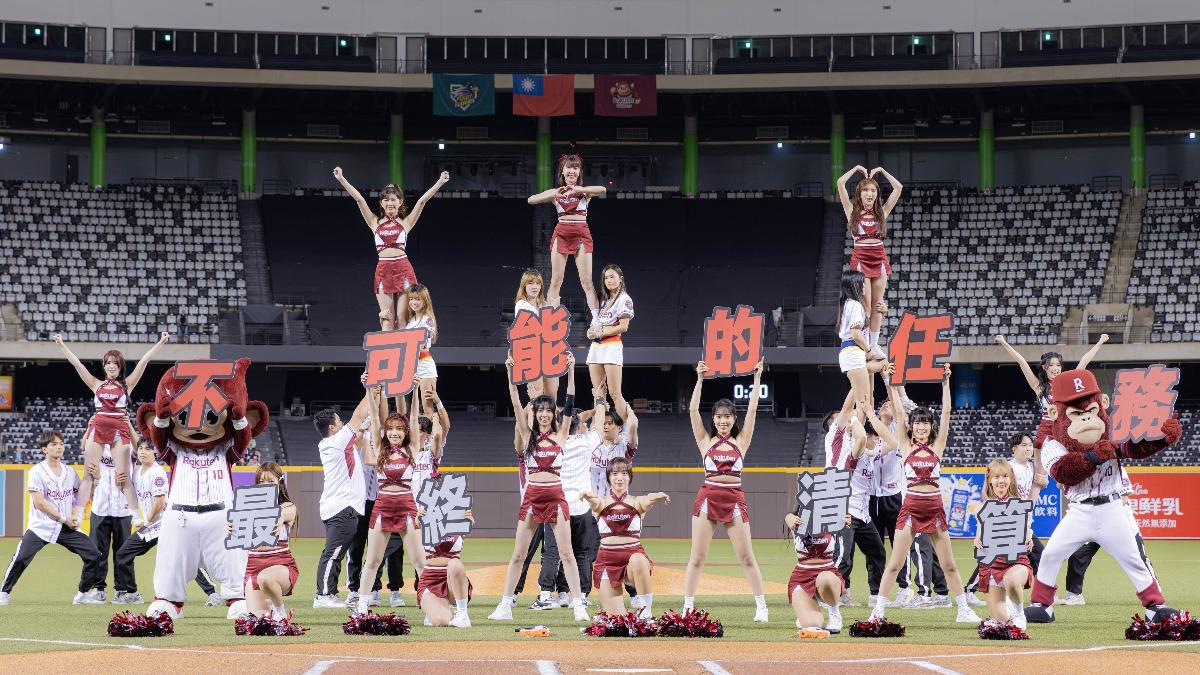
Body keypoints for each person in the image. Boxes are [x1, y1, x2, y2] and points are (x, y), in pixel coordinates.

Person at [869, 364, 980, 624]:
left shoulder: (938, 446)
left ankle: (963, 609)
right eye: (918, 423)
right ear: (911, 426)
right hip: (910, 509)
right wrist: (890, 380)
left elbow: (947, 413)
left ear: (930, 427)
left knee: (950, 564)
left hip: (935, 509)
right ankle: (878, 612)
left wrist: (945, 383)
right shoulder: (905, 446)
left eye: (925, 423)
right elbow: (897, 411)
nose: (922, 427)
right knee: (895, 563)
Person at [487, 361, 594, 623]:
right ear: (534, 414)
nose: (545, 414)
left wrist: (570, 370)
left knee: (567, 553)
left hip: (556, 497)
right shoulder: (527, 436)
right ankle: (504, 605)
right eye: (540, 410)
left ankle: (579, 605)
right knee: (519, 554)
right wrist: (512, 375)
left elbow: (569, 403)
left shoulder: (561, 436)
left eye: (548, 411)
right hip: (533, 497)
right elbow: (514, 403)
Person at [683, 359, 769, 622]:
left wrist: (757, 379)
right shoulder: (704, 441)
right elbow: (693, 410)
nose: (722, 421)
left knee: (746, 556)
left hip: (734, 501)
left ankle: (761, 606)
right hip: (707, 499)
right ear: (714, 419)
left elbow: (753, 411)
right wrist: (699, 378)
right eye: (719, 416)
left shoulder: (741, 441)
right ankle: (688, 606)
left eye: (727, 416)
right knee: (697, 557)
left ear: (734, 419)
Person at [53, 331, 170, 525]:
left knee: (124, 478)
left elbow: (144, 362)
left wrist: (161, 342)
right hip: (97, 428)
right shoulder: (95, 384)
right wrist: (61, 344)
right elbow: (77, 365)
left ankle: (136, 518)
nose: (111, 366)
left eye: (115, 363)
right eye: (108, 363)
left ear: (120, 366)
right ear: (104, 366)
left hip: (119, 430)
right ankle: (78, 515)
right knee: (89, 473)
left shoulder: (127, 385)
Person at [332, 166, 449, 330]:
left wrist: (440, 182)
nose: (390, 203)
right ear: (381, 203)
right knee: (387, 317)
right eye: (386, 200)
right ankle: (387, 355)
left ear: (400, 202)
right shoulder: (374, 222)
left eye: (394, 199)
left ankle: (405, 355)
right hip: (383, 270)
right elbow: (359, 199)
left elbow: (422, 201)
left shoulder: (406, 223)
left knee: (402, 320)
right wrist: (341, 179)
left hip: (403, 269)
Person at [0, 430, 104, 606]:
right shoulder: (36, 472)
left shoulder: (70, 472)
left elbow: (83, 495)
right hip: (41, 525)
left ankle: (82, 594)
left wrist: (96, 480)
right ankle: (3, 593)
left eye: (61, 444)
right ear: (44, 449)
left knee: (94, 555)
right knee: (21, 558)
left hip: (66, 527)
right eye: (54, 444)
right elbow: (40, 503)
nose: (59, 448)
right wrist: (65, 518)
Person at [353, 381, 430, 616]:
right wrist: (368, 388)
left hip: (407, 507)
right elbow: (375, 419)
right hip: (383, 507)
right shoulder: (380, 448)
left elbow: (415, 414)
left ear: (406, 431)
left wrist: (415, 391)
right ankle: (362, 605)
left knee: (420, 562)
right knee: (373, 560)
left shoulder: (413, 448)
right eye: (392, 428)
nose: (395, 432)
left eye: (400, 428)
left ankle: (430, 604)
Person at [113, 439, 220, 606]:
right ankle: (132, 593)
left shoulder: (157, 473)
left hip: (165, 525)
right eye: (140, 448)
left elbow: (160, 502)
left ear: (155, 452)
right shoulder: (137, 471)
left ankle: (213, 593)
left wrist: (146, 522)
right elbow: (131, 492)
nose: (142, 451)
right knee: (123, 555)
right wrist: (118, 484)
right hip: (151, 527)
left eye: (147, 449)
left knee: (184, 558)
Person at [579, 458, 668, 618]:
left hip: (631, 564)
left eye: (624, 474)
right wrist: (587, 496)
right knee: (617, 621)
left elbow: (648, 498)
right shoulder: (602, 502)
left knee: (639, 559)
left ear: (630, 477)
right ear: (609, 477)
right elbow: (594, 502)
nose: (619, 477)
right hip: (607, 563)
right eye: (614, 474)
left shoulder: (637, 502)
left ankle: (645, 613)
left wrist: (658, 496)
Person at [312, 382, 375, 608]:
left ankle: (327, 593)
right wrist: (371, 388)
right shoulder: (334, 442)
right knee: (334, 552)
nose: (343, 422)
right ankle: (323, 595)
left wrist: (366, 426)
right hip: (342, 507)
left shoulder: (334, 444)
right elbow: (358, 416)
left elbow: (358, 433)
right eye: (339, 421)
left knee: (335, 551)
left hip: (340, 506)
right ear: (332, 427)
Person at [965, 432, 1047, 601]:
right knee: (994, 556)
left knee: (1037, 555)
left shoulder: (1031, 468)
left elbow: (1033, 492)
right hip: (1006, 522)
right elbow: (986, 492)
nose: (1029, 448)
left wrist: (1040, 483)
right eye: (1024, 445)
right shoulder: (1008, 469)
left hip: (1022, 522)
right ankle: (970, 590)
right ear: (1014, 449)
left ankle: (1041, 595)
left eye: (1030, 445)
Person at [993, 333, 1109, 448]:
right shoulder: (1038, 387)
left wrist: (1099, 342)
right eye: (1052, 365)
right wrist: (1004, 343)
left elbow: (1084, 361)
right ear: (1044, 367)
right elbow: (1021, 361)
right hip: (1046, 433)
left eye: (1058, 365)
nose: (1055, 368)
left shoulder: (1068, 384)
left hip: (1065, 430)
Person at [527, 150, 606, 312]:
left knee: (586, 281)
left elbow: (603, 189)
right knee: (556, 279)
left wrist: (578, 189)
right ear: (562, 171)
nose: (572, 171)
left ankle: (597, 321)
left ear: (579, 172)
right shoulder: (556, 192)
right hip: (561, 234)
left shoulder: (584, 191)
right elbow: (531, 200)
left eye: (576, 168)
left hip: (581, 234)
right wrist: (553, 193)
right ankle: (550, 319)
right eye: (568, 167)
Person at [837, 165, 902, 359]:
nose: (870, 193)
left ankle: (874, 344)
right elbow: (840, 183)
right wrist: (856, 169)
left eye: (873, 190)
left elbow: (898, 188)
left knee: (878, 304)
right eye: (866, 190)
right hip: (861, 258)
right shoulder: (851, 212)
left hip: (879, 257)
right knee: (864, 305)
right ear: (860, 192)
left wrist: (882, 171)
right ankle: (864, 342)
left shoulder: (882, 212)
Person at [838, 405, 895, 608]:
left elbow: (893, 442)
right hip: (846, 512)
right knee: (844, 557)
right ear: (867, 436)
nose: (878, 441)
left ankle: (875, 595)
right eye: (875, 437)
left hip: (863, 515)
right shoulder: (854, 450)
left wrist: (873, 415)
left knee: (878, 551)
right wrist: (855, 418)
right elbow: (861, 438)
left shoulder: (871, 455)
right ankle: (836, 596)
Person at [973, 459, 1033, 630]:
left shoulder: (1020, 503)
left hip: (1015, 561)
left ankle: (1019, 612)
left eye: (1005, 476)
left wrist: (1029, 537)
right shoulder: (983, 507)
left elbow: (1027, 528)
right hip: (992, 564)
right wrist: (977, 541)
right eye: (997, 477)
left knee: (1011, 580)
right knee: (1001, 622)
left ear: (1010, 479)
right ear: (990, 480)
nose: (1001, 481)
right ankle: (1009, 605)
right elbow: (980, 532)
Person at [243, 462, 300, 620]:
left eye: (271, 482)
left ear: (279, 483)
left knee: (265, 578)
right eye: (261, 482)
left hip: (281, 567)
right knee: (258, 620)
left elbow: (287, 513)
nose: (265, 485)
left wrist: (279, 516)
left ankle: (280, 612)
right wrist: (229, 524)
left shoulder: (287, 506)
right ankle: (270, 607)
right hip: (253, 569)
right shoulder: (247, 509)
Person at [86, 443, 133, 604]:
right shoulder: (96, 446)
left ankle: (122, 590)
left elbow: (139, 445)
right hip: (100, 508)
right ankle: (98, 589)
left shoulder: (128, 446)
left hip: (123, 509)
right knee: (98, 552)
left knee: (123, 553)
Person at [784, 511, 844, 634]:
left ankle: (834, 612)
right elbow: (789, 516)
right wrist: (789, 519)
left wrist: (844, 520)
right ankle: (808, 605)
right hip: (802, 578)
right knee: (812, 625)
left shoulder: (834, 518)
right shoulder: (798, 518)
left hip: (827, 573)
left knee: (825, 578)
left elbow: (842, 553)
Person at [587, 264, 634, 419]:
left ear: (621, 279)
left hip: (612, 346)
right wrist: (591, 332)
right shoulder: (603, 300)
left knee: (614, 392)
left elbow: (624, 326)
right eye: (606, 277)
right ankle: (600, 429)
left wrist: (601, 331)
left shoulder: (624, 299)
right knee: (598, 392)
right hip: (596, 346)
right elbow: (596, 325)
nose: (609, 280)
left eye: (612, 276)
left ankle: (627, 429)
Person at [417, 514, 476, 628]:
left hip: (453, 581)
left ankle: (462, 614)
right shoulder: (427, 511)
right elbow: (417, 524)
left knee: (455, 563)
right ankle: (438, 608)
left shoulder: (460, 512)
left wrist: (469, 521)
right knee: (441, 622)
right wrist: (418, 520)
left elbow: (468, 522)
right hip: (430, 581)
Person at [514, 268, 559, 403]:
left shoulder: (544, 304)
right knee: (536, 398)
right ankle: (530, 424)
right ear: (524, 286)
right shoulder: (521, 305)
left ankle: (551, 424)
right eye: (531, 283)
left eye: (538, 283)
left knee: (552, 399)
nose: (535, 287)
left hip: (549, 353)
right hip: (532, 354)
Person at [836, 270, 873, 412]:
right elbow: (856, 334)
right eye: (862, 283)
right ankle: (858, 434)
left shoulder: (846, 303)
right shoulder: (855, 305)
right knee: (864, 403)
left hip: (848, 352)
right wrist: (868, 350)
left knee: (861, 401)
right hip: (853, 351)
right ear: (855, 285)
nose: (864, 286)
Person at [401, 284, 439, 398]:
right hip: (410, 366)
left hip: (424, 364)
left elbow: (421, 344)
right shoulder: (411, 321)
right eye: (411, 299)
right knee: (411, 406)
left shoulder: (428, 319)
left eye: (418, 299)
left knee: (428, 408)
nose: (414, 302)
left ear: (425, 300)